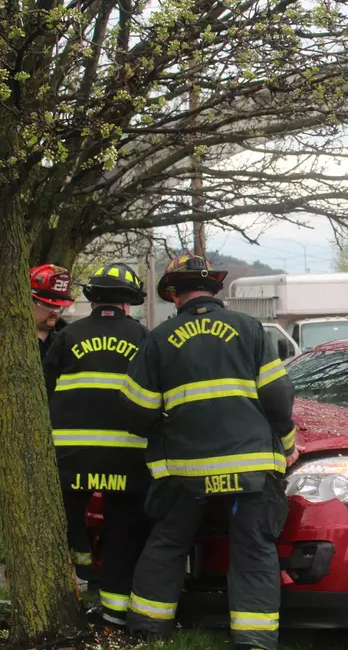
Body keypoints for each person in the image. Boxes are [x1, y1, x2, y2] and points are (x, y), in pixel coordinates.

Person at [120, 254, 299, 650]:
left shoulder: (159, 339)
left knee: (168, 542)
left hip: (186, 470)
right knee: (253, 547)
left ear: (173, 294)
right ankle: (253, 638)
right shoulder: (250, 329)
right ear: (215, 290)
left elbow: (136, 412)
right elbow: (278, 397)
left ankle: (148, 629)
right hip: (251, 467)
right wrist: (287, 444)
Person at [42, 262, 152, 626]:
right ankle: (116, 611)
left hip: (72, 458)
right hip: (127, 458)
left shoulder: (67, 336)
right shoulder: (143, 337)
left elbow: (46, 388)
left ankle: (76, 581)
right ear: (129, 303)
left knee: (68, 522)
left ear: (94, 299)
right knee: (122, 529)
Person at [30, 263, 74, 359]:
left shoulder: (70, 336)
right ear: (29, 302)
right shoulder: (9, 335)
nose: (55, 312)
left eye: (58, 306)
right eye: (49, 305)